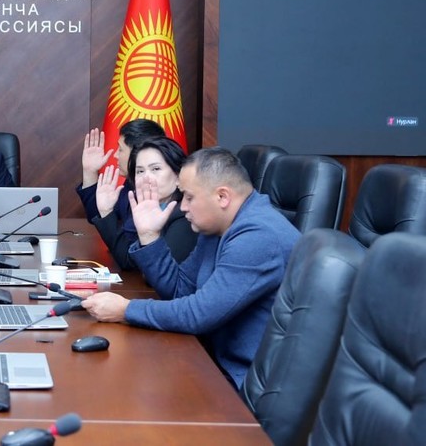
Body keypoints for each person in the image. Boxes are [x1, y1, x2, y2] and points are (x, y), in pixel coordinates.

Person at [81, 147, 300, 388]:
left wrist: (126, 310)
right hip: (211, 358)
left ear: (222, 197)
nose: (183, 206)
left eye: (189, 197)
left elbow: (198, 314)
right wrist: (149, 235)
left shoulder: (258, 237)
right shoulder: (218, 225)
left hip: (242, 382)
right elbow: (180, 290)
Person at [91, 137, 197, 268]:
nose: (146, 177)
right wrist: (106, 211)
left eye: (156, 169)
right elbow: (128, 261)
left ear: (178, 175)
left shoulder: (185, 215)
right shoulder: (147, 208)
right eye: (140, 171)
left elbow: (159, 271)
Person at [76, 119, 165, 269]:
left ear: (137, 153)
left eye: (121, 149)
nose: (116, 155)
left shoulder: (153, 192)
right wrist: (90, 172)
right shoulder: (131, 184)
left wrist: (106, 213)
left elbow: (128, 257)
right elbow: (99, 217)